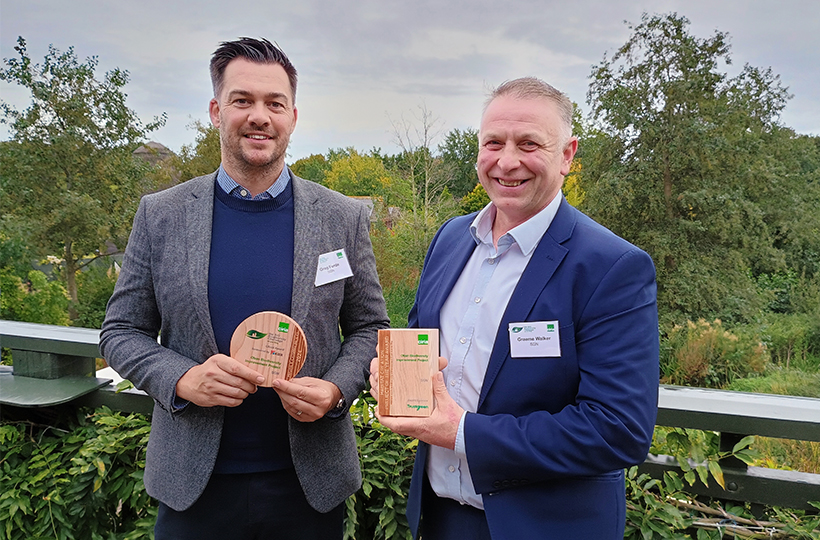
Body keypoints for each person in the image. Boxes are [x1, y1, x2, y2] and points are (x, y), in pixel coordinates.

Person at [100, 37, 389, 540]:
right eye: (243, 101)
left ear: (293, 117)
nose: (260, 116)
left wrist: (337, 389)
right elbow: (121, 331)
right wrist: (182, 380)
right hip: (195, 486)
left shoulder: (341, 217)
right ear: (216, 110)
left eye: (274, 103)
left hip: (310, 487)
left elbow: (370, 328)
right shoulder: (162, 214)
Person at [369, 77, 660, 540]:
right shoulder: (450, 239)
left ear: (567, 155)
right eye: (493, 143)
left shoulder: (611, 266)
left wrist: (462, 432)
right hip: (441, 520)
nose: (507, 161)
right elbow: (420, 344)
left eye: (529, 144)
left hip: (547, 528)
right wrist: (394, 378)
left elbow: (618, 429)